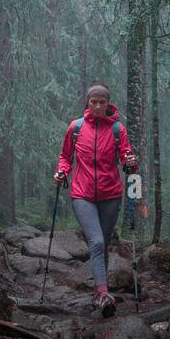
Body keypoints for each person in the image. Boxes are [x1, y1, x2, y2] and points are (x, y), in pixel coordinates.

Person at [54, 82, 139, 317]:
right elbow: (65, 156)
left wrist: (132, 164)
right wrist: (61, 171)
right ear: (87, 103)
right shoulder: (76, 128)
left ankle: (97, 292)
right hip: (82, 194)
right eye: (94, 102)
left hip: (111, 195)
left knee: (101, 243)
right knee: (97, 242)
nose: (98, 106)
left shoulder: (117, 130)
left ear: (108, 103)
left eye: (102, 102)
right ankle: (103, 293)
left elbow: (128, 161)